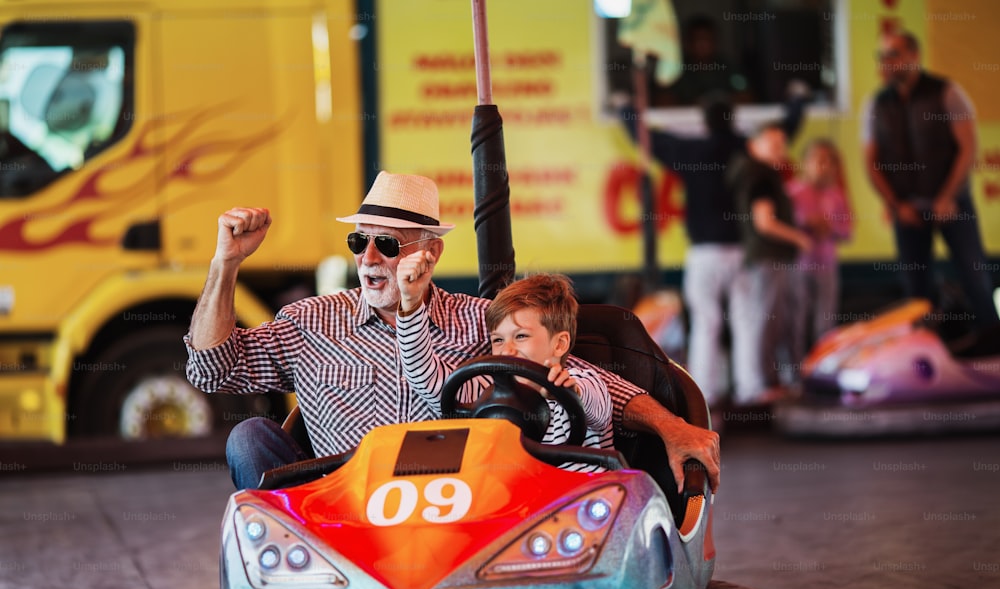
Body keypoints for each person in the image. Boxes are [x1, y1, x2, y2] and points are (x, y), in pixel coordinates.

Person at [185, 171, 720, 491]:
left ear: (430, 251)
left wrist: (673, 426)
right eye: (359, 243)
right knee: (249, 438)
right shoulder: (311, 321)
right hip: (340, 518)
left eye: (388, 245)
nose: (369, 259)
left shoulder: (478, 319)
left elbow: (574, 374)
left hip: (457, 512)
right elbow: (211, 369)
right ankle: (294, 587)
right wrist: (224, 265)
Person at [617, 84, 808, 409]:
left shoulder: (690, 151)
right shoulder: (745, 149)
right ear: (733, 118)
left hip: (704, 252)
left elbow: (647, 138)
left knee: (706, 324)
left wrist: (625, 109)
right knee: (747, 320)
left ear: (704, 120)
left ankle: (705, 395)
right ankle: (751, 389)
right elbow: (785, 129)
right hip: (743, 251)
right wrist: (798, 100)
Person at [397, 272, 612, 470]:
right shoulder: (486, 394)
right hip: (515, 502)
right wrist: (410, 304)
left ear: (559, 344)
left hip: (576, 502)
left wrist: (570, 392)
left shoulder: (584, 382)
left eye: (521, 336)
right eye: (498, 340)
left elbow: (598, 409)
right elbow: (422, 373)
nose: (506, 349)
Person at [863, 30, 998, 326]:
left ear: (914, 56)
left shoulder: (946, 92)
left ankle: (992, 349)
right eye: (881, 55)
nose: (886, 61)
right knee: (916, 292)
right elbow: (870, 163)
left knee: (975, 278)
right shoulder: (876, 105)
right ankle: (926, 360)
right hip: (907, 208)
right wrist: (896, 205)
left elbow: (968, 148)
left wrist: (947, 197)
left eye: (893, 54)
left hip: (952, 204)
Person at [726, 122, 813, 403]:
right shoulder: (761, 175)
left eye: (783, 144)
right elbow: (764, 223)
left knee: (775, 320)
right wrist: (799, 238)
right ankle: (769, 384)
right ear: (754, 146)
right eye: (774, 144)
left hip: (768, 258)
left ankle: (776, 381)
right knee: (772, 321)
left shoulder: (755, 174)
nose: (781, 150)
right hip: (770, 258)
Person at [786, 138, 854, 366]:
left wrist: (831, 228)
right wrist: (806, 223)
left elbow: (847, 231)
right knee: (796, 322)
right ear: (805, 163)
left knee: (825, 323)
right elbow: (781, 226)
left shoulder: (836, 195)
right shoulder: (792, 192)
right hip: (797, 267)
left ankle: (823, 369)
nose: (824, 166)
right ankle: (795, 374)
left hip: (827, 267)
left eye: (829, 161)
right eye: (819, 160)